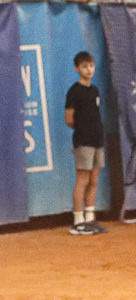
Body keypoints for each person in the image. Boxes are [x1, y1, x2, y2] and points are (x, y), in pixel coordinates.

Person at [64, 51, 108, 235]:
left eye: (91, 65)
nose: (89, 70)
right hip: (83, 142)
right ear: (77, 69)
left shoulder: (95, 90)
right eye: (84, 66)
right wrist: (83, 130)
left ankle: (90, 218)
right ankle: (78, 220)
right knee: (82, 180)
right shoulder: (74, 91)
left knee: (94, 180)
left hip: (98, 141)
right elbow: (69, 119)